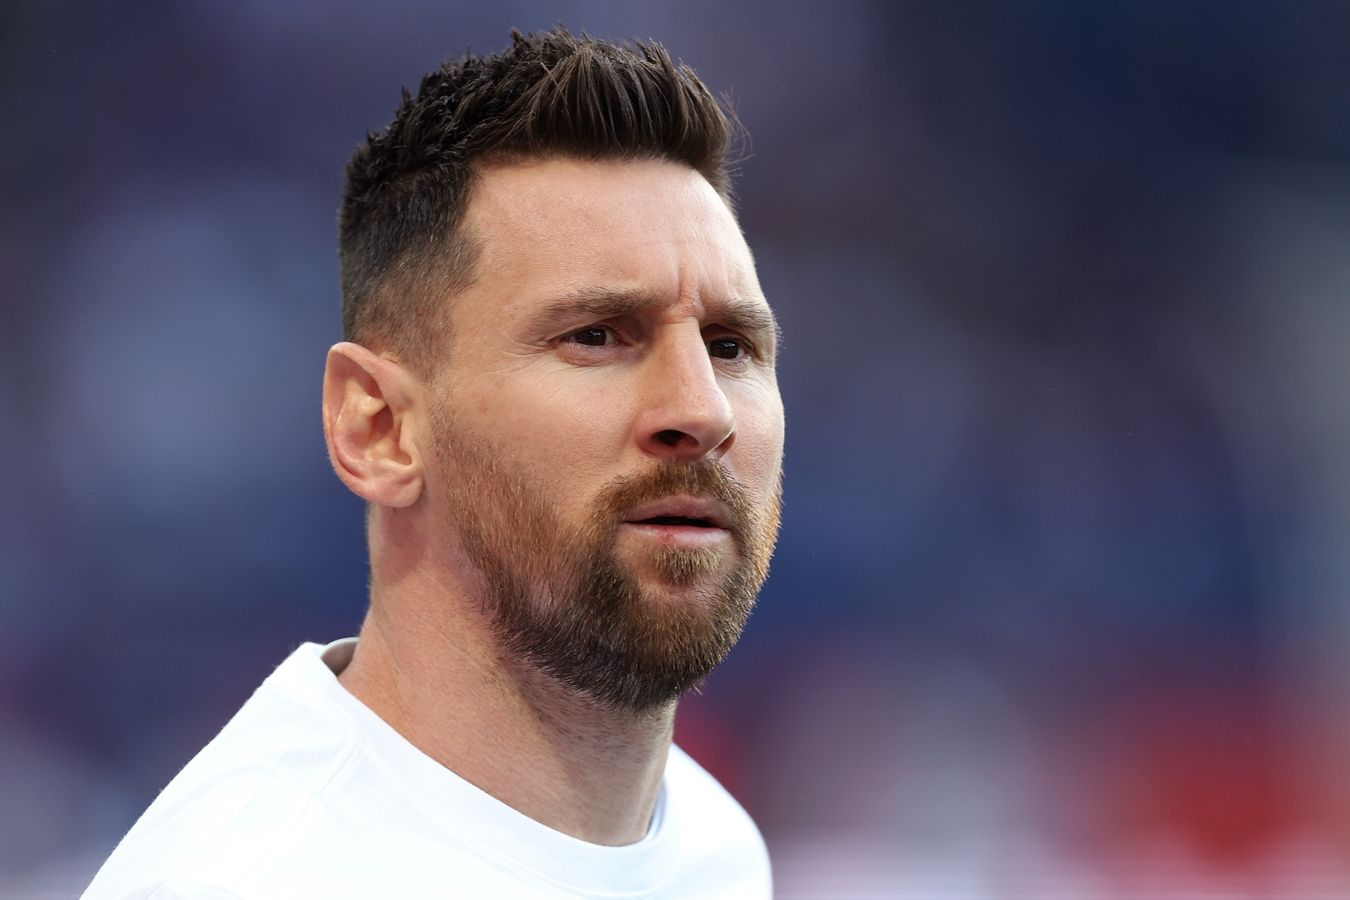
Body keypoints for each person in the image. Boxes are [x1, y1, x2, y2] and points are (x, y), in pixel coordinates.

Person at [83, 26, 784, 899]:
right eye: (596, 336)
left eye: (730, 345)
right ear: (378, 429)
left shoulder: (715, 847)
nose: (704, 412)